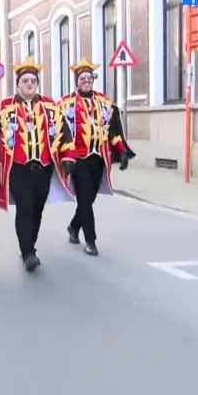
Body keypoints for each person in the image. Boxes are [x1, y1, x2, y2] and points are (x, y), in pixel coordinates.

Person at [0, 57, 76, 272]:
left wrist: (68, 157)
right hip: (18, 169)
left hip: (42, 169)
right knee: (24, 209)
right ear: (18, 83)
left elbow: (65, 134)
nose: (30, 83)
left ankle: (29, 244)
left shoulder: (50, 107)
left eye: (33, 80)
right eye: (25, 80)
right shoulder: (5, 108)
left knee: (37, 210)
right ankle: (28, 253)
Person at [58, 57, 135, 256]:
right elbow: (57, 130)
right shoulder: (66, 104)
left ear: (93, 79)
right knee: (84, 198)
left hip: (98, 157)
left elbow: (113, 130)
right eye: (82, 78)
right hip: (78, 158)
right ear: (76, 81)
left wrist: (122, 150)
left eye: (89, 77)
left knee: (89, 198)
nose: (86, 80)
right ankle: (91, 241)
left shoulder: (104, 102)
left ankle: (74, 226)